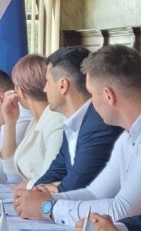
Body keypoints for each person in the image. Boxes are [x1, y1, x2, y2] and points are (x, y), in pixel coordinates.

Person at [14, 45, 141, 226]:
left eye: (92, 94)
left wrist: (48, 208)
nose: (90, 105)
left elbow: (121, 210)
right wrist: (44, 199)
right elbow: (94, 193)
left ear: (108, 95)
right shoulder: (127, 138)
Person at [33, 46, 122, 192]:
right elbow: (56, 171)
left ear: (63, 85)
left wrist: (50, 191)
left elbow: (76, 186)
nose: (44, 89)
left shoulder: (100, 123)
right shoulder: (72, 122)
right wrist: (37, 191)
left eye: (47, 81)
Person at [0, 54, 65, 189]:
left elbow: (50, 178)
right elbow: (11, 172)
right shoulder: (36, 120)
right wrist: (10, 123)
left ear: (20, 91)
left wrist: (27, 185)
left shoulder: (56, 120)